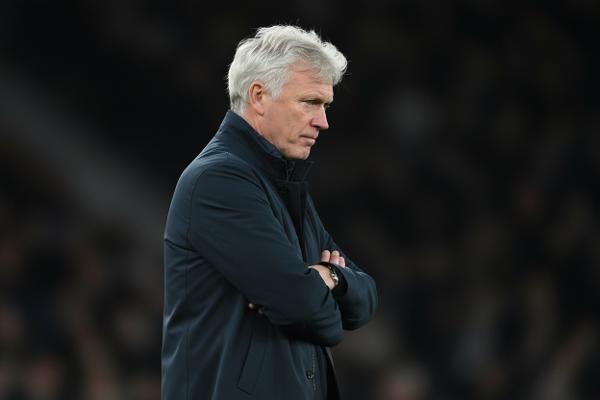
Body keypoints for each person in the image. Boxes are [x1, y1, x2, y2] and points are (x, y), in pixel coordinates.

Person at [162, 25, 378, 400]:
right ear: (259, 96)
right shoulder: (218, 181)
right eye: (310, 102)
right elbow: (311, 312)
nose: (323, 122)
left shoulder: (280, 184)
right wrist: (319, 291)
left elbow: (365, 301)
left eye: (325, 106)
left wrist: (331, 277)